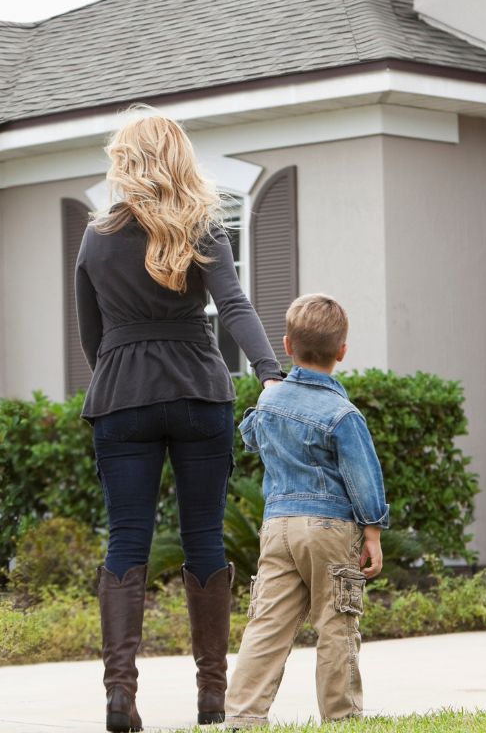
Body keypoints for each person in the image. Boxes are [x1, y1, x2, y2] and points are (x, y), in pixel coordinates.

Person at [75, 111, 284, 730]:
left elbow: (92, 336)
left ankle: (120, 698)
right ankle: (213, 699)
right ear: (180, 158)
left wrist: (121, 371)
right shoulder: (203, 227)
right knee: (205, 537)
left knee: (126, 539)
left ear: (125, 163)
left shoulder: (96, 237)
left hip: (122, 396)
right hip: (199, 389)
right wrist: (269, 371)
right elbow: (235, 306)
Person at [224, 294, 389, 728]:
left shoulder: (270, 402)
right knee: (336, 622)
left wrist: (268, 395)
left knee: (267, 622)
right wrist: (372, 533)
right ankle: (342, 718)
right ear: (342, 352)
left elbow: (252, 438)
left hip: (278, 527)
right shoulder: (343, 414)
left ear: (287, 346)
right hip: (330, 528)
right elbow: (363, 479)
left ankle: (242, 714)